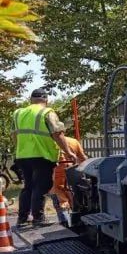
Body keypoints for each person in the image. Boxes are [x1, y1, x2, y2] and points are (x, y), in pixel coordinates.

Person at [11, 89, 80, 228]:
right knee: (41, 186)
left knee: (28, 186)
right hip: (42, 155)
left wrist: (21, 149)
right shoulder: (47, 112)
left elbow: (14, 135)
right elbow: (58, 134)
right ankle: (38, 218)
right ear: (46, 100)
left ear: (31, 100)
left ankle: (22, 218)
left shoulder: (18, 113)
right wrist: (68, 151)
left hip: (22, 156)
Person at [49, 134, 87, 227]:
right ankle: (76, 222)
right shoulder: (73, 142)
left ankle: (64, 223)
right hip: (72, 174)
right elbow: (83, 158)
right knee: (74, 198)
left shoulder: (50, 142)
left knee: (60, 201)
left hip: (55, 175)